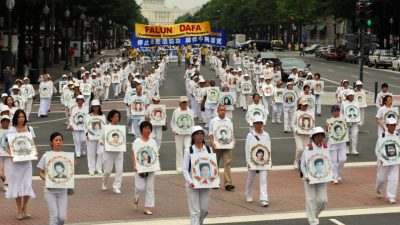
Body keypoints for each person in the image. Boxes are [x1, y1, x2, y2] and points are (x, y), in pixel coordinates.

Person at [5, 109, 37, 220]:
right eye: (19, 117)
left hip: (27, 162)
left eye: (23, 116)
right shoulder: (11, 130)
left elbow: (33, 144)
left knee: (27, 185)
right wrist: (12, 155)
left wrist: (35, 152)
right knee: (17, 186)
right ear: (15, 118)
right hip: (17, 164)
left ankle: (24, 207)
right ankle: (19, 210)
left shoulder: (29, 128)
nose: (21, 118)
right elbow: (7, 147)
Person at [183, 126, 213, 225]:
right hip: (192, 185)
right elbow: (185, 169)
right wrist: (190, 181)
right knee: (195, 211)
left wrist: (216, 179)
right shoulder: (189, 151)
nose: (199, 136)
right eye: (197, 134)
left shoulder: (209, 149)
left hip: (206, 184)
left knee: (204, 210)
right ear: (193, 137)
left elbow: (213, 167)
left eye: (201, 134)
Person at [37, 132, 70, 225]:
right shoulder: (46, 156)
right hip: (50, 191)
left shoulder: (66, 156)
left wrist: (72, 165)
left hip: (63, 191)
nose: (58, 142)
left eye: (60, 140)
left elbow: (68, 174)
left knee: (62, 218)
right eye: (56, 140)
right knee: (54, 217)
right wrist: (49, 180)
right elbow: (40, 173)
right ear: (51, 142)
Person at [300, 127, 330, 225]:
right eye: (317, 136)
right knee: (310, 199)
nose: (320, 138)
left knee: (323, 201)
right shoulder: (308, 148)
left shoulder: (326, 147)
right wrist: (306, 175)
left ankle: (314, 215)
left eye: (322, 136)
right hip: (310, 178)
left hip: (322, 178)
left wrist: (329, 173)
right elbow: (302, 164)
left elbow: (329, 162)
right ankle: (313, 221)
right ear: (313, 137)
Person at [132, 121, 158, 215]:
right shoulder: (137, 141)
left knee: (150, 187)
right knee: (140, 187)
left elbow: (155, 154)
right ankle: (136, 197)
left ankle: (147, 207)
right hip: (139, 168)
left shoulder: (153, 142)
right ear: (141, 130)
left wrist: (156, 165)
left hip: (151, 168)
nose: (147, 130)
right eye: (145, 128)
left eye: (149, 128)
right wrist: (135, 166)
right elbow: (133, 155)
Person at [245, 116, 270, 207]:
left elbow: (268, 148)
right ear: (253, 125)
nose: (259, 125)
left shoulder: (266, 135)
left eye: (260, 123)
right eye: (257, 123)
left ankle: (264, 199)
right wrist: (248, 161)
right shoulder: (250, 135)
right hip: (253, 161)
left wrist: (269, 161)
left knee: (263, 179)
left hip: (264, 161)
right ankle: (248, 193)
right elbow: (247, 149)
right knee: (250, 179)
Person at [209, 105, 235, 191]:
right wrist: (212, 143)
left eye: (224, 110)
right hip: (217, 145)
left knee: (227, 163)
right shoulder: (213, 121)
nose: (222, 112)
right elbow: (211, 134)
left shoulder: (229, 121)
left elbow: (231, 133)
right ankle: (215, 182)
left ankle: (228, 183)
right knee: (215, 163)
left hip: (227, 146)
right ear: (217, 111)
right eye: (221, 110)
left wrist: (233, 142)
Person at [375, 118, 399, 204]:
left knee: (394, 179)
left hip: (394, 161)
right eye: (391, 125)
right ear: (387, 126)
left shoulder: (397, 135)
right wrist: (381, 159)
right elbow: (377, 150)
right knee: (381, 179)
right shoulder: (382, 136)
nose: (393, 127)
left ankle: (391, 196)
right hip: (384, 162)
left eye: (394, 125)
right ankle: (378, 189)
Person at [101, 110, 124, 194]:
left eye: (118, 117)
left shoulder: (121, 128)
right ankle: (104, 182)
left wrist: (123, 143)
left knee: (119, 170)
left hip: (118, 151)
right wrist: (103, 143)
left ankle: (116, 186)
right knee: (107, 171)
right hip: (108, 151)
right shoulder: (105, 128)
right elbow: (101, 139)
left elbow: (122, 139)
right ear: (111, 118)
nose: (117, 118)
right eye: (115, 116)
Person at [171, 96, 194, 172]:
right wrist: (174, 130)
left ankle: (187, 166)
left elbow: (192, 122)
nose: (184, 105)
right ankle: (179, 166)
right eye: (182, 103)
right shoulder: (176, 111)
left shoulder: (191, 111)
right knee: (179, 150)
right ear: (179, 103)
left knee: (188, 149)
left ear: (187, 103)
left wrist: (192, 131)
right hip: (178, 134)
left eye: (185, 103)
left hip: (188, 134)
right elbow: (172, 122)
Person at [325, 105, 347, 184]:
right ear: (332, 112)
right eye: (335, 111)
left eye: (338, 111)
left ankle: (338, 174)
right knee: (333, 161)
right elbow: (327, 130)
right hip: (332, 144)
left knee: (343, 159)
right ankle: (334, 176)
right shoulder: (329, 121)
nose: (336, 112)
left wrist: (345, 123)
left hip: (341, 143)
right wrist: (327, 126)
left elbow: (346, 129)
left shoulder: (343, 119)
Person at [291, 99, 313, 169]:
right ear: (300, 106)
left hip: (307, 134)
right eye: (303, 105)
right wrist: (295, 129)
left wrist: (312, 132)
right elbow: (292, 123)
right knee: (300, 149)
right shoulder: (296, 113)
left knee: (306, 149)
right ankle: (296, 161)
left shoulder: (310, 113)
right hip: (298, 134)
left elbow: (312, 123)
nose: (305, 107)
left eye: (306, 105)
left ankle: (303, 162)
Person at [86, 99, 106, 176]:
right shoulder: (88, 116)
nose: (95, 108)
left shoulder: (102, 116)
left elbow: (105, 126)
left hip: (100, 137)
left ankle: (99, 168)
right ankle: (91, 169)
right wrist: (87, 134)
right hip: (90, 137)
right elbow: (85, 127)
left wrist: (104, 136)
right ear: (92, 107)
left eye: (97, 106)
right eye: (94, 107)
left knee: (101, 152)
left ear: (99, 107)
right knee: (91, 153)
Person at [0, 115, 11, 192]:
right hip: (0, 153)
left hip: (8, 153)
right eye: (3, 121)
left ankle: (6, 184)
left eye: (7, 121)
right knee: (0, 170)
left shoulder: (12, 131)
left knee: (8, 169)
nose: (5, 123)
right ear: (1, 122)